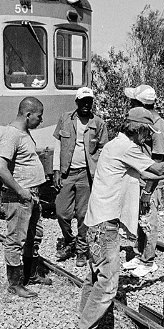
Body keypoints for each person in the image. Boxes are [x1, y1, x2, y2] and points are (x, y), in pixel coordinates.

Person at [73, 108, 164, 329]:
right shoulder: (127, 148)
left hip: (96, 222)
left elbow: (150, 172)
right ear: (139, 130)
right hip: (105, 225)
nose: (147, 139)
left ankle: (83, 323)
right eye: (146, 134)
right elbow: (157, 169)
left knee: (95, 276)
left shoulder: (117, 146)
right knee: (108, 283)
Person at [0, 97, 51, 298]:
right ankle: (15, 283)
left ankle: (31, 274)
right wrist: (20, 190)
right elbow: (0, 168)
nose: (41, 121)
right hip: (19, 197)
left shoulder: (23, 133)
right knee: (16, 239)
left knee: (34, 236)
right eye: (39, 116)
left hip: (31, 195)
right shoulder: (11, 135)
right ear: (28, 115)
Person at [122, 84, 164, 277]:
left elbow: (158, 163)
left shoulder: (158, 127)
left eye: (133, 102)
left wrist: (147, 191)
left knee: (148, 221)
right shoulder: (144, 122)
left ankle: (148, 260)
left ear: (140, 103)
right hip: (139, 178)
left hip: (149, 183)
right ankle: (139, 253)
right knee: (138, 219)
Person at [53, 87, 109, 267]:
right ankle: (69, 241)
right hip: (67, 173)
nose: (86, 105)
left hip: (86, 175)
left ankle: (81, 250)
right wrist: (55, 170)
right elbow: (58, 145)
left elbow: (103, 148)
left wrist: (99, 171)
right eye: (83, 101)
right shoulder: (65, 119)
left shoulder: (98, 123)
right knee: (62, 213)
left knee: (83, 215)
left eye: (89, 101)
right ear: (76, 102)